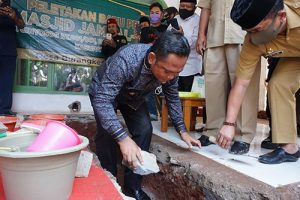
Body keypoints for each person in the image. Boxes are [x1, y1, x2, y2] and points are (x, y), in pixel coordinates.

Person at [89, 31, 201, 200]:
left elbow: (172, 97)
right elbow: (103, 101)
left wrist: (182, 130)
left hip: (133, 98)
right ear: (151, 58)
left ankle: (132, 187)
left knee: (145, 129)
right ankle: (110, 183)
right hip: (104, 93)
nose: (171, 77)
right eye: (167, 71)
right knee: (107, 134)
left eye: (177, 72)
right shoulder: (127, 60)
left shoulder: (171, 70)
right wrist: (123, 138)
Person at [217, 0, 300, 164]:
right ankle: (289, 149)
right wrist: (229, 123)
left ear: (281, 16)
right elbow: (240, 84)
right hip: (294, 57)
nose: (253, 36)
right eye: (249, 31)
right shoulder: (253, 41)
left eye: (258, 30)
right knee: (278, 84)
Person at [196, 0, 261, 155]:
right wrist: (201, 34)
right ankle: (212, 129)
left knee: (244, 85)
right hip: (214, 35)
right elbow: (206, 7)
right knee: (213, 84)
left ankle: (243, 135)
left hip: (242, 34)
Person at [168, 0, 202, 92]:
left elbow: (194, 43)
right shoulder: (176, 19)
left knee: (190, 100)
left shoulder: (198, 20)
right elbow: (167, 38)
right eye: (182, 6)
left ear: (194, 8)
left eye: (188, 7)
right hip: (174, 68)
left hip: (192, 67)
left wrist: (181, 36)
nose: (185, 8)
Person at [0, 0, 25, 115]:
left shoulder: (13, 10)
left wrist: (14, 17)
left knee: (7, 82)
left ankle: (4, 111)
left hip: (8, 51)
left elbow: (22, 25)